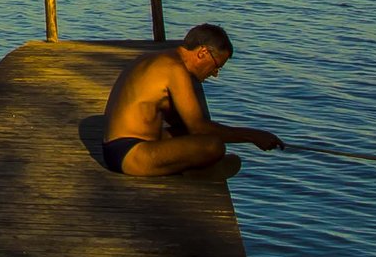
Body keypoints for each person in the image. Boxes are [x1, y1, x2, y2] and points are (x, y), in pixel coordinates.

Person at [99, 23, 284, 175]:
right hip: (128, 154)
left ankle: (197, 169)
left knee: (190, 134)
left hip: (118, 146)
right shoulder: (175, 69)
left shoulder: (157, 58)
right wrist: (253, 135)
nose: (215, 74)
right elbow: (199, 127)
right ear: (203, 53)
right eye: (216, 66)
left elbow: (185, 123)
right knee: (213, 146)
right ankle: (196, 173)